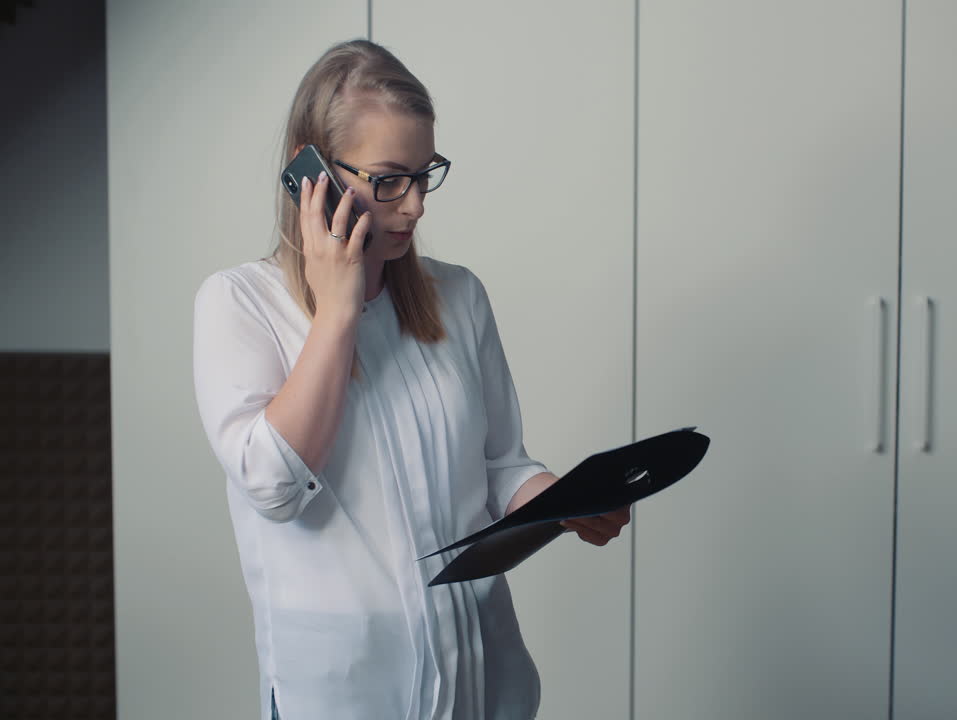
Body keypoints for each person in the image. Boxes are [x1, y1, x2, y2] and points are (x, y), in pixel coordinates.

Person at [191, 39, 630, 720]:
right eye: (390, 178)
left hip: (480, 685)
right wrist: (336, 310)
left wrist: (563, 501)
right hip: (342, 698)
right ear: (313, 175)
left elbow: (502, 468)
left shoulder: (458, 297)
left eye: (426, 174)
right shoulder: (238, 304)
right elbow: (275, 487)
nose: (416, 204)